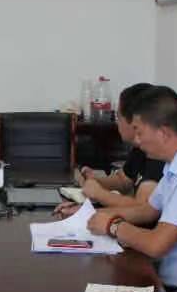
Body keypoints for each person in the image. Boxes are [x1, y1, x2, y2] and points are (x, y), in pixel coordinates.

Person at [85, 86, 177, 289]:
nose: (137, 141)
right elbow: (148, 210)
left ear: (164, 133)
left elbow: (157, 245)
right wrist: (89, 215)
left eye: (139, 132)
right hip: (170, 279)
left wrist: (113, 226)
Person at [54, 83, 163, 215]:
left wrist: (99, 195)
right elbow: (124, 180)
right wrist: (94, 181)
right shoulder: (139, 148)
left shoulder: (157, 154)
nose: (117, 123)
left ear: (135, 121)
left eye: (118, 117)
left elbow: (143, 209)